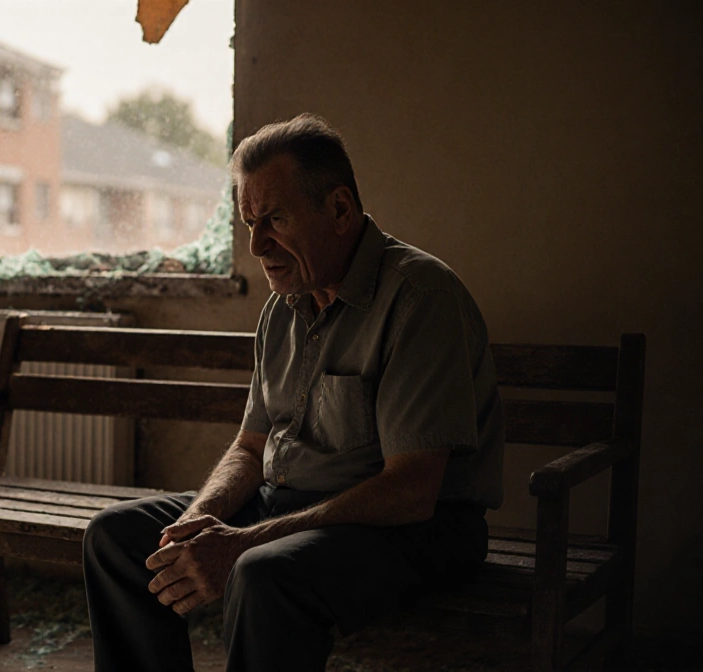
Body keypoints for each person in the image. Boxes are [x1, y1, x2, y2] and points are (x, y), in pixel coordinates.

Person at [82, 113, 505, 672]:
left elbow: (411, 490)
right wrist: (199, 522)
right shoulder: (283, 308)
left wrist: (240, 543)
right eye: (250, 222)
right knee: (118, 539)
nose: (257, 245)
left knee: (263, 573)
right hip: (291, 508)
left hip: (413, 530)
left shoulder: (419, 298)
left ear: (339, 210)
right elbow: (252, 449)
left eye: (275, 219)